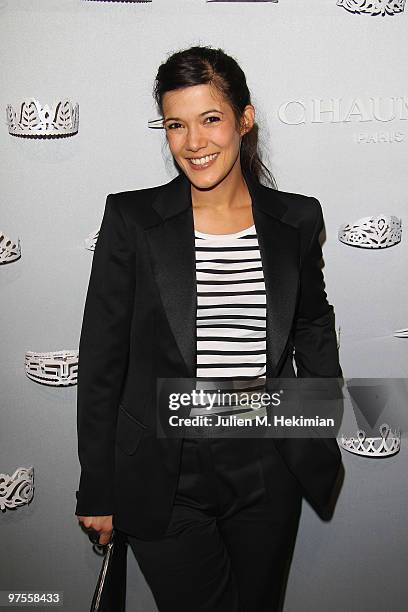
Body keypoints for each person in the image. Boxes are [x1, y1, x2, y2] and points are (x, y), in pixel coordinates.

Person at [75, 45, 343, 611]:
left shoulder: (296, 218)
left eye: (211, 119)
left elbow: (314, 323)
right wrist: (98, 486)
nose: (194, 142)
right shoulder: (133, 220)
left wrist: (314, 422)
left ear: (244, 120)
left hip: (267, 470)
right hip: (164, 477)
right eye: (176, 125)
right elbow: (101, 362)